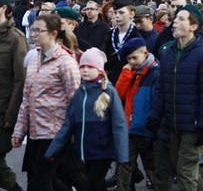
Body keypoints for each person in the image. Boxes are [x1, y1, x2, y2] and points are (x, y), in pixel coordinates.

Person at [146, 4, 203, 190]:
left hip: (192, 126)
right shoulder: (169, 52)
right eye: (175, 18)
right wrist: (155, 116)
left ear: (193, 26)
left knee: (186, 172)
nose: (174, 22)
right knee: (163, 173)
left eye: (181, 19)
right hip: (168, 123)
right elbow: (162, 88)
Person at [11, 14, 81, 191]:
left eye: (38, 30)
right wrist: (19, 130)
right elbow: (27, 98)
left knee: (43, 176)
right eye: (33, 29)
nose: (33, 34)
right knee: (40, 175)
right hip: (36, 130)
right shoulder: (35, 58)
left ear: (53, 33)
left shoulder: (65, 61)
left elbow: (76, 99)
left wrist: (75, 132)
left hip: (56, 131)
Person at [44, 48, 129, 190]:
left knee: (92, 187)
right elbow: (68, 125)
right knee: (98, 186)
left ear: (100, 70)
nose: (85, 70)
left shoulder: (108, 91)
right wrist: (53, 149)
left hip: (103, 151)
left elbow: (119, 125)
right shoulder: (79, 93)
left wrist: (123, 154)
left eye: (90, 67)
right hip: (85, 151)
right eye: (82, 67)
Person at [116, 38, 159, 190]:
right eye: (128, 59)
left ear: (145, 53)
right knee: (125, 166)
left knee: (152, 167)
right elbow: (119, 94)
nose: (132, 61)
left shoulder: (155, 73)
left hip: (147, 130)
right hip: (130, 128)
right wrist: (126, 73)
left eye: (135, 57)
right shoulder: (130, 72)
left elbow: (156, 103)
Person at [0, 0, 27, 191]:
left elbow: (21, 80)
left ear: (3, 8)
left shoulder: (15, 38)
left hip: (3, 111)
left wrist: (12, 115)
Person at [102, 0, 142, 84]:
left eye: (121, 12)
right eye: (115, 12)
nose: (117, 16)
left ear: (132, 14)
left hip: (129, 81)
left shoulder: (136, 36)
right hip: (111, 82)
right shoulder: (110, 35)